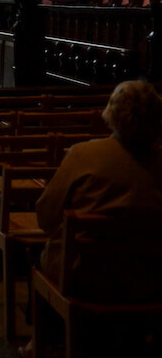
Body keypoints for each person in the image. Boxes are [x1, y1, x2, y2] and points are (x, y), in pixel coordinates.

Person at [36, 79, 162, 280]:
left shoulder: (84, 154)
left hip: (85, 279)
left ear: (112, 112)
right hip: (147, 281)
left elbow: (46, 215)